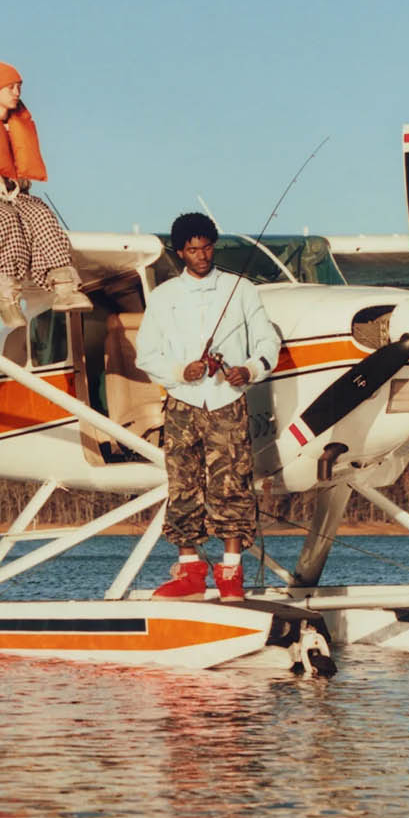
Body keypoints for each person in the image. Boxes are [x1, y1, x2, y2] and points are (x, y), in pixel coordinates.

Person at [134, 212, 280, 600]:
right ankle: (190, 573)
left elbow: (268, 343)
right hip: (182, 403)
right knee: (183, 485)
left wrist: (250, 370)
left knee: (232, 484)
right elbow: (146, 354)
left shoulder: (240, 289)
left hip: (227, 401)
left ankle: (231, 572)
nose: (201, 256)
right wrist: (181, 371)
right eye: (193, 250)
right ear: (180, 252)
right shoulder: (163, 297)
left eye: (207, 248)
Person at [0, 62, 88, 327]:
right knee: (7, 219)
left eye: (19, 87)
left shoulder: (19, 127)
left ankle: (65, 287)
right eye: (10, 87)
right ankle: (7, 297)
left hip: (14, 196)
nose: (17, 92)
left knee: (42, 215)